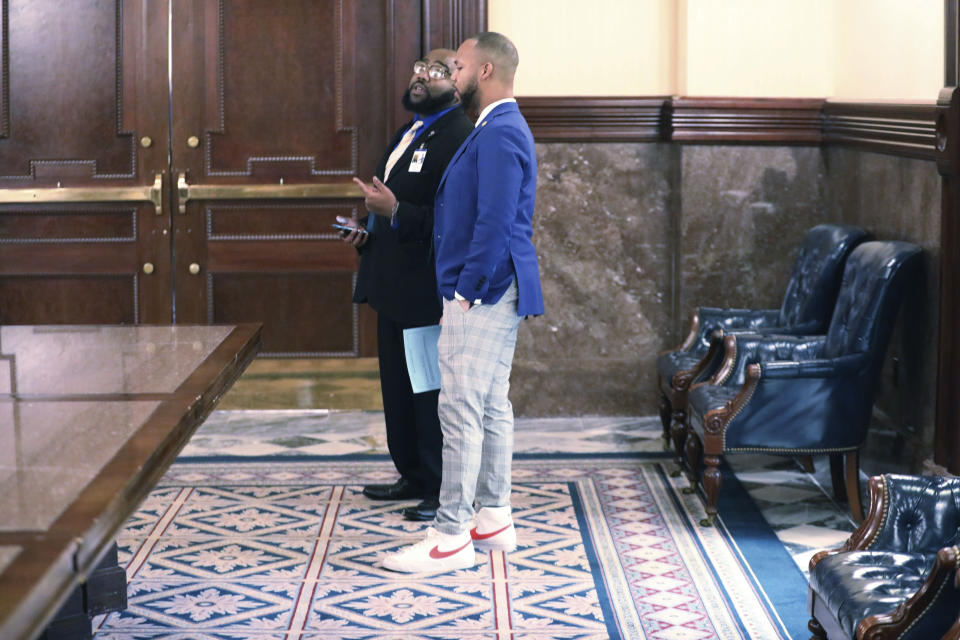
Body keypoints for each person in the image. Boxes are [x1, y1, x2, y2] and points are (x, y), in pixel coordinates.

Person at [382, 32, 544, 573]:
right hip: (493, 285)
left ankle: (450, 536)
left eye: (459, 67)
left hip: (485, 288)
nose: (451, 76)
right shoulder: (492, 128)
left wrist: (467, 290)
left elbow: (495, 221)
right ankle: (494, 517)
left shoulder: (498, 132)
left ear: (487, 72)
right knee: (491, 403)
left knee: (459, 408)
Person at [345, 49, 473, 522]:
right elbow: (393, 203)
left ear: (458, 82)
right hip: (391, 286)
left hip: (424, 292)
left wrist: (395, 213)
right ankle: (413, 474)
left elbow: (451, 219)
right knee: (398, 389)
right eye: (419, 66)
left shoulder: (459, 135)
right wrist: (368, 226)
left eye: (437, 71)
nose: (422, 76)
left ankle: (440, 487)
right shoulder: (411, 131)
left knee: (427, 392)